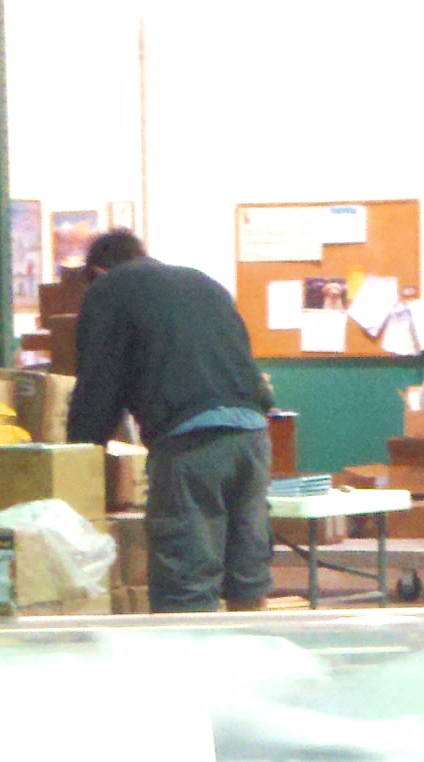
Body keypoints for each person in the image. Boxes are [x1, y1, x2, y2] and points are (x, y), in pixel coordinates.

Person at [67, 229, 277, 613]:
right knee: (247, 574)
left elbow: (98, 383)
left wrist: (77, 457)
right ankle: (251, 647)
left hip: (191, 442)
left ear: (97, 272)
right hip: (253, 435)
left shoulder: (109, 289)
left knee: (187, 583)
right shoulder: (204, 283)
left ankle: (190, 653)